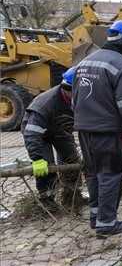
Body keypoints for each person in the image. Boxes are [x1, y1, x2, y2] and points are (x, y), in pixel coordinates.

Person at [72, 20, 122, 238]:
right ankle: (107, 223)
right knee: (110, 175)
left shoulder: (86, 62)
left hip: (84, 130)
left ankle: (95, 216)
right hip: (107, 132)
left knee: (94, 174)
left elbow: (74, 98)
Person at [21, 66, 83, 210]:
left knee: (71, 159)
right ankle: (47, 201)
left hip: (59, 128)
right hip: (38, 134)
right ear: (67, 89)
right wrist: (37, 158)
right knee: (46, 165)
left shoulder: (78, 96)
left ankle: (72, 196)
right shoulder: (45, 105)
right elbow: (32, 135)